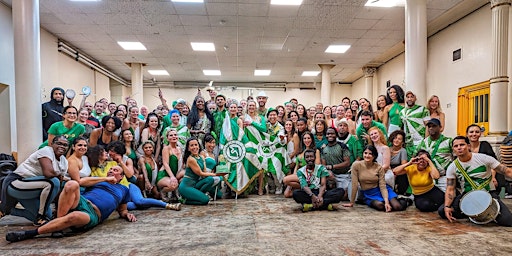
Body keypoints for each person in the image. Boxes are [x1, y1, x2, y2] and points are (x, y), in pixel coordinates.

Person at [5, 166, 136, 243]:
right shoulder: (98, 181)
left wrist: (127, 215)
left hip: (93, 214)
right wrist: (105, 178)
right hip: (81, 201)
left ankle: (30, 233)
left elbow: (122, 210)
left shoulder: (124, 189)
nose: (112, 171)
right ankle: (59, 227)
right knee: (72, 184)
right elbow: (81, 182)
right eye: (110, 169)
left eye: (116, 170)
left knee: (74, 217)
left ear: (121, 177)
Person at [438, 136, 512, 226]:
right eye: (456, 146)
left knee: (508, 220)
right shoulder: (452, 167)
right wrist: (447, 206)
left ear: (468, 146)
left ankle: (479, 213)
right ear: (453, 149)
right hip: (467, 196)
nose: (459, 148)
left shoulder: (483, 158)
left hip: (488, 194)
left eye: (462, 145)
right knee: (442, 210)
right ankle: (474, 213)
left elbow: (506, 171)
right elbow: (450, 189)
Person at [0, 136, 69, 225]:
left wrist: (57, 210)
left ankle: (7, 210)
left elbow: (58, 186)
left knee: (48, 216)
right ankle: (41, 217)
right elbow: (48, 173)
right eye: (59, 143)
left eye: (65, 145)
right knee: (53, 182)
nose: (62, 146)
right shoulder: (46, 151)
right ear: (51, 144)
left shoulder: (64, 162)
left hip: (33, 189)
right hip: (17, 184)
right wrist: (59, 175)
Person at [342, 145, 407, 212]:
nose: (367, 155)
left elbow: (382, 186)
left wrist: (387, 202)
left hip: (381, 190)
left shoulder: (379, 167)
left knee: (397, 206)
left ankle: (404, 201)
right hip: (369, 193)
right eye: (365, 153)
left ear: (374, 156)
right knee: (380, 206)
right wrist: (351, 202)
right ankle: (384, 203)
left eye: (370, 154)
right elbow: (354, 185)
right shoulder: (356, 165)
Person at [179, 138, 223, 205]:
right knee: (205, 200)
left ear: (199, 146)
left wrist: (219, 174)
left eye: (196, 145)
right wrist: (215, 174)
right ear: (188, 148)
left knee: (210, 180)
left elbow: (205, 172)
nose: (194, 147)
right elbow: (201, 173)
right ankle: (185, 200)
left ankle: (197, 195)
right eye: (192, 145)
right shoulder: (191, 159)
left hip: (195, 184)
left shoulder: (201, 157)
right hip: (186, 187)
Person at [466, 124, 505, 196]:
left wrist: (493, 178)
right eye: (471, 132)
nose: (474, 134)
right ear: (467, 134)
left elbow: (493, 163)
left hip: (488, 172)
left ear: (480, 134)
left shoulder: (485, 145)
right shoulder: (464, 147)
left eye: (477, 132)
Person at [415, 118, 452, 192]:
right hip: (428, 177)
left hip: (444, 177)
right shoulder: (423, 142)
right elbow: (415, 157)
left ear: (440, 127)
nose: (431, 128)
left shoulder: (448, 141)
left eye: (434, 126)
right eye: (429, 126)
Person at [283, 132, 320, 198]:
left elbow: (317, 165)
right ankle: (307, 188)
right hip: (300, 175)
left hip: (310, 175)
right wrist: (294, 176)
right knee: (287, 194)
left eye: (308, 138)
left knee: (285, 180)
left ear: (312, 139)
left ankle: (310, 186)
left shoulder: (316, 151)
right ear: (302, 140)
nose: (306, 140)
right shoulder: (301, 151)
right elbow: (296, 167)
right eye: (305, 138)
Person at [321, 127, 351, 199]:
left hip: (344, 175)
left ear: (336, 135)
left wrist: (332, 166)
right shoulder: (323, 149)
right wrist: (329, 171)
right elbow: (324, 165)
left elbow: (347, 163)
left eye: (332, 133)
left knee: (344, 196)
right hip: (332, 176)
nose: (330, 135)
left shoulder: (342, 146)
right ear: (326, 135)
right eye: (328, 134)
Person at [400, 91, 430, 159]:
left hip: (420, 141)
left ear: (415, 98)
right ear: (405, 99)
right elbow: (401, 127)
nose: (410, 99)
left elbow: (428, 125)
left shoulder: (423, 109)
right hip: (408, 143)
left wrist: (426, 140)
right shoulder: (402, 112)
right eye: (408, 97)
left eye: (412, 97)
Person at [159, 129, 184, 202]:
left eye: (175, 135)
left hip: (176, 173)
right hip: (164, 174)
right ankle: (163, 191)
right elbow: (165, 164)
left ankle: (177, 195)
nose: (174, 136)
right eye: (171, 135)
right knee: (173, 185)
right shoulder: (166, 148)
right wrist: (172, 177)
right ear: (167, 138)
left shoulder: (179, 148)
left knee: (184, 180)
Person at [387, 130, 408, 195]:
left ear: (402, 142)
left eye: (399, 139)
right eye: (395, 138)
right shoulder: (387, 149)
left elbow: (404, 165)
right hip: (387, 169)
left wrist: (394, 173)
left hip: (398, 171)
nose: (396, 140)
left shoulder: (403, 151)